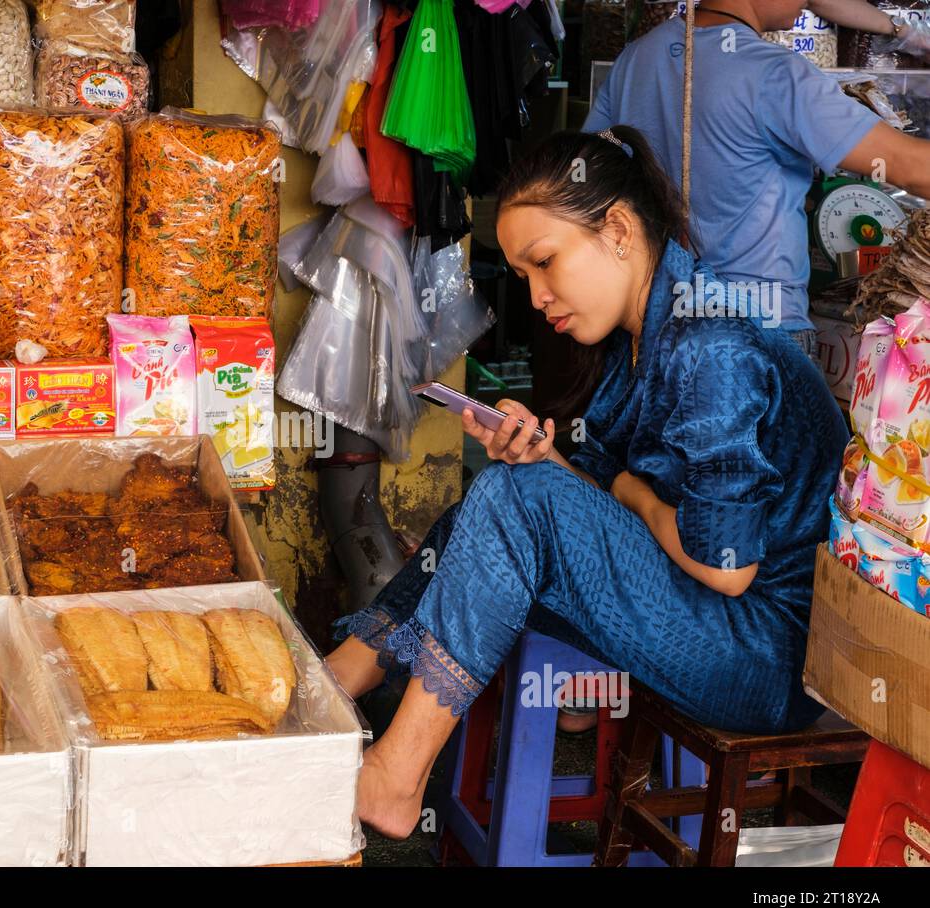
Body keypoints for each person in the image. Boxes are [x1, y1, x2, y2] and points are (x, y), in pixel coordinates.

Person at [323, 125, 849, 840]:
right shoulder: (637, 340)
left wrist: (628, 491)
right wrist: (547, 457)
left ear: (620, 230)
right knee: (499, 493)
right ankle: (337, 683)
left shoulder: (713, 348)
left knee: (517, 500)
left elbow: (728, 568)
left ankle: (395, 775)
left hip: (764, 653)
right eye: (524, 278)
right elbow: (597, 509)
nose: (537, 297)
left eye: (545, 263)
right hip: (703, 608)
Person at [583, 0, 930, 358]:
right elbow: (909, 166)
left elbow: (588, 178)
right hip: (762, 335)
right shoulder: (775, 73)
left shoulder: (635, 60)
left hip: (659, 330)